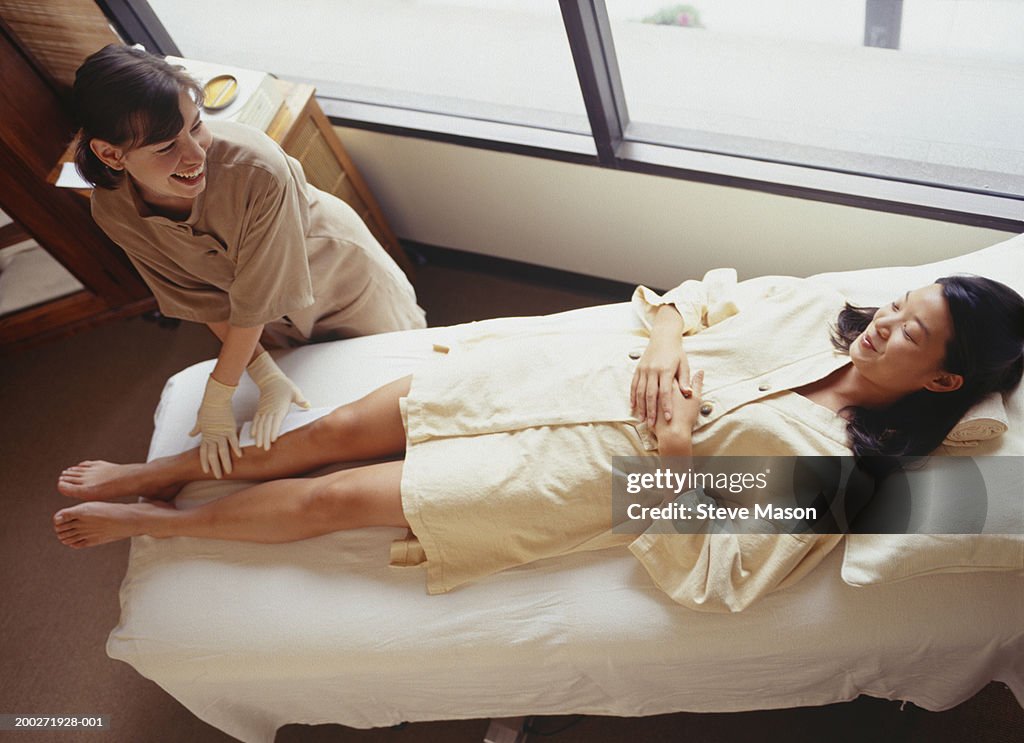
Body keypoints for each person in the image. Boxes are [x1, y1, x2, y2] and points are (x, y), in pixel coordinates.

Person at [52, 271, 1024, 611]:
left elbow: (716, 576)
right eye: (897, 301)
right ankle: (165, 466)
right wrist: (666, 335)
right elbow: (699, 294)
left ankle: (156, 520)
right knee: (337, 428)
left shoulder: (844, 468)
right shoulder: (818, 313)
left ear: (943, 378)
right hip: (561, 378)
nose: (881, 320)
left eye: (907, 328)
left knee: (333, 498)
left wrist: (679, 454)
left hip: (573, 480)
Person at [72, 45, 425, 478]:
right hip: (259, 316)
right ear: (111, 155)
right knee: (316, 395)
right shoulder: (113, 211)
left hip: (338, 273)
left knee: (401, 380)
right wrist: (261, 369)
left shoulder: (258, 168)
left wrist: (220, 391)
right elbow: (201, 298)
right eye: (167, 147)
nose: (195, 154)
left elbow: (257, 296)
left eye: (196, 127)